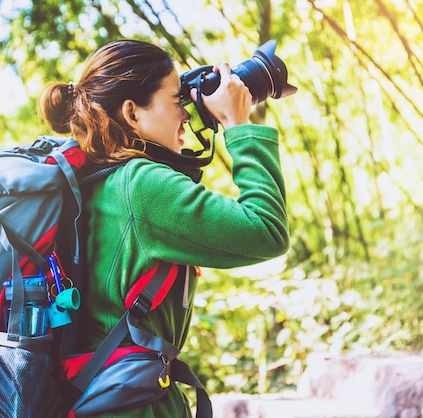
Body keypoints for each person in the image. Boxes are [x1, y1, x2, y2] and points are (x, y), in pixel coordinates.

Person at [39, 39, 289, 418]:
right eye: (176, 99)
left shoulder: (96, 179)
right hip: (132, 404)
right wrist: (238, 124)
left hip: (100, 396)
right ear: (132, 113)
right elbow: (266, 229)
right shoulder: (140, 186)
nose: (187, 114)